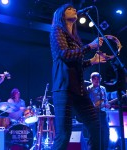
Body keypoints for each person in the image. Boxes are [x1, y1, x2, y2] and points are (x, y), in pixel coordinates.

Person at [50, 3, 111, 150]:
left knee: (96, 126)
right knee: (64, 134)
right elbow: (65, 55)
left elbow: (76, 64)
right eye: (70, 8)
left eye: (74, 8)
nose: (74, 9)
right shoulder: (57, 30)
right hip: (64, 87)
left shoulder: (76, 38)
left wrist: (92, 61)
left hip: (79, 89)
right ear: (62, 14)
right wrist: (90, 46)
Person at [87, 72, 110, 150]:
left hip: (103, 113)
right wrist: (94, 106)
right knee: (94, 134)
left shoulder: (103, 88)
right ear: (91, 80)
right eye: (94, 78)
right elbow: (88, 102)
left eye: (98, 78)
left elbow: (106, 100)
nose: (96, 80)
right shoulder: (89, 89)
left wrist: (107, 104)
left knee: (106, 133)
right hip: (94, 114)